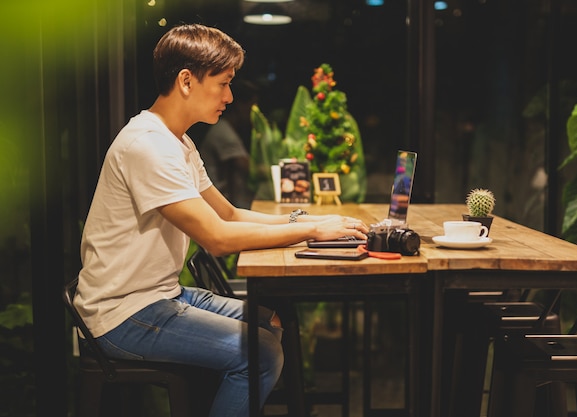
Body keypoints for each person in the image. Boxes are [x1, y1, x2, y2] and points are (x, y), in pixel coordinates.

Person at [74, 23, 369, 417]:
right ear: (186, 80)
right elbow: (218, 237)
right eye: (223, 83)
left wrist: (310, 219)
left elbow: (227, 213)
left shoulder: (178, 141)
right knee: (261, 354)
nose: (230, 96)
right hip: (123, 314)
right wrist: (313, 231)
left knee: (273, 322)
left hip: (159, 295)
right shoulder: (148, 146)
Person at [200, 78, 258, 209]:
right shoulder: (222, 131)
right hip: (217, 205)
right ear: (240, 105)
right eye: (251, 106)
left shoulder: (226, 128)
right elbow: (245, 166)